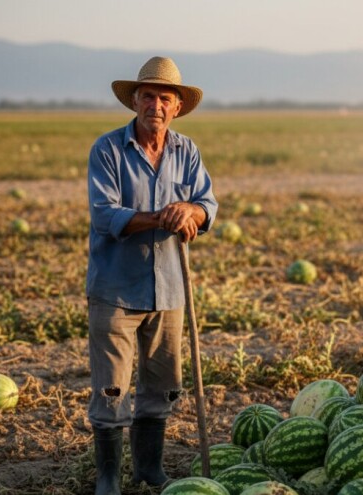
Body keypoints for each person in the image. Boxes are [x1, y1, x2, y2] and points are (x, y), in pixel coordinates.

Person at [85, 56, 218, 495]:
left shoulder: (187, 151)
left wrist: (192, 211)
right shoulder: (108, 150)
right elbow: (106, 215)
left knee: (161, 387)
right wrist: (165, 216)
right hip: (116, 290)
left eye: (164, 98)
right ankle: (108, 477)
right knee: (111, 389)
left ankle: (148, 470)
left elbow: (208, 205)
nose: (155, 106)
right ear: (134, 102)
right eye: (147, 96)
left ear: (177, 107)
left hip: (170, 289)